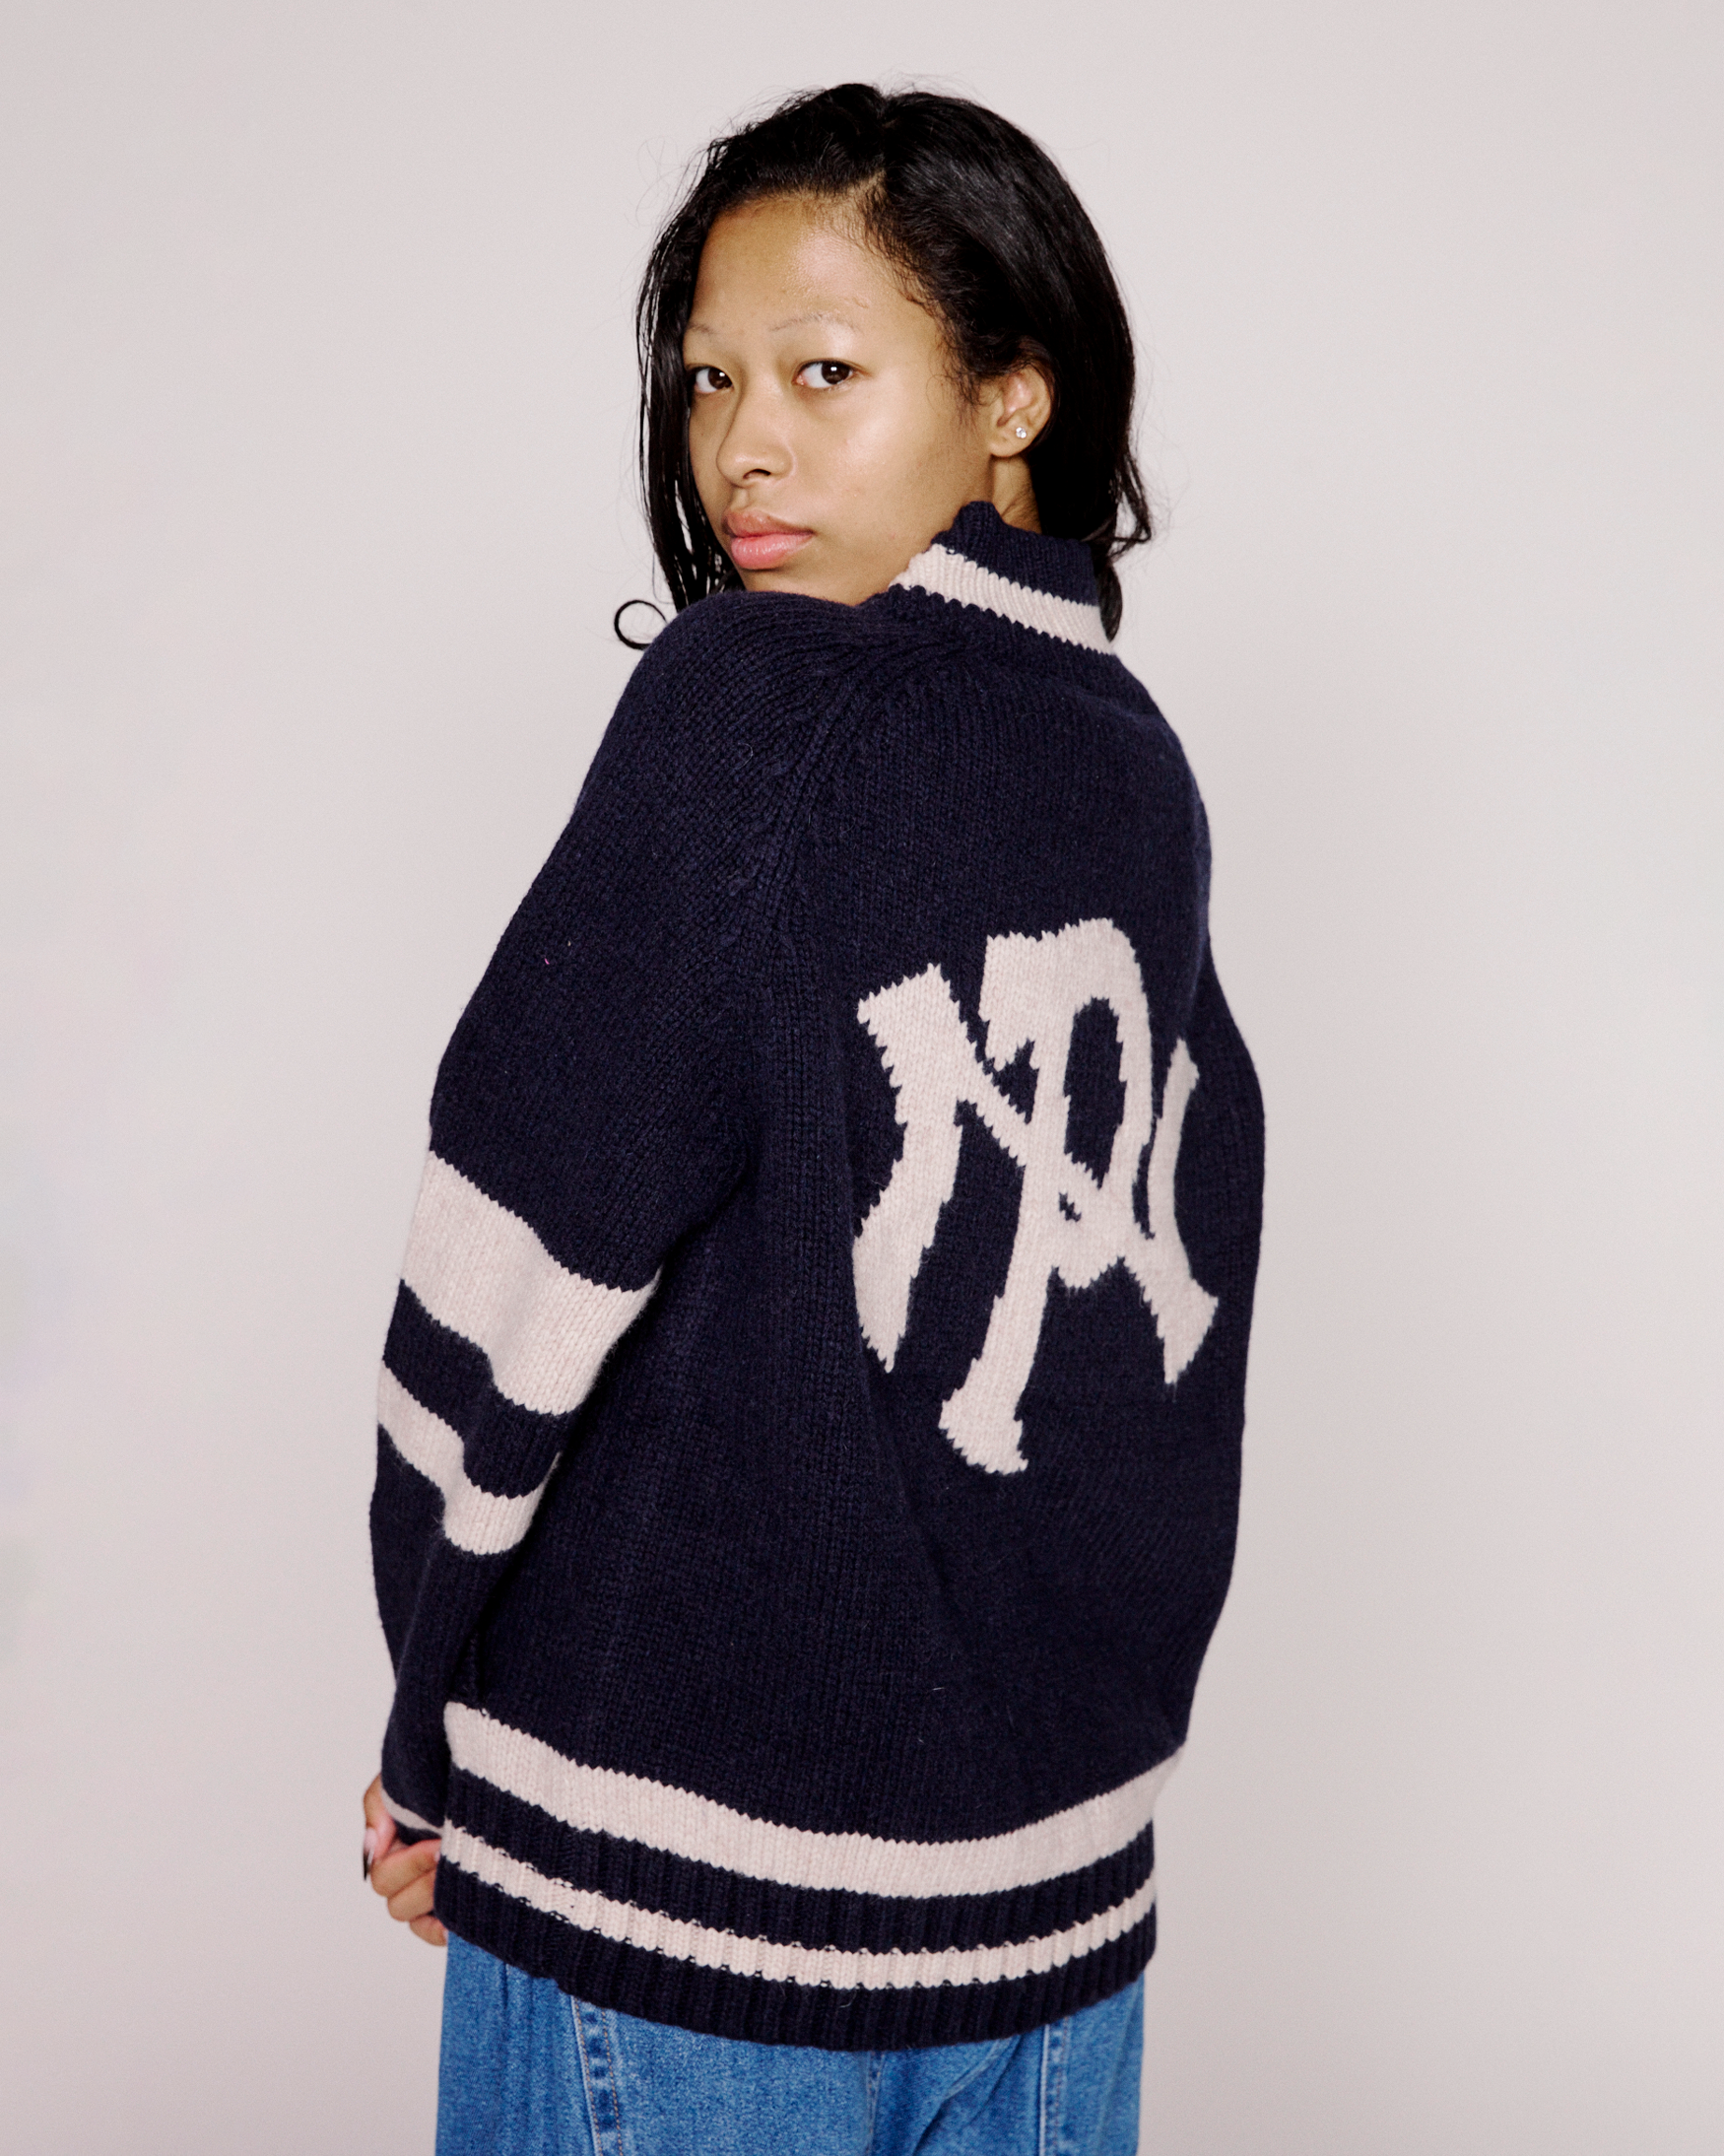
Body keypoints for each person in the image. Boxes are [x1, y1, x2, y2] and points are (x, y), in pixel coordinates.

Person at [362, 82, 1264, 2156]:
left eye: (822, 372)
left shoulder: (749, 704)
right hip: (1048, 1918)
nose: (741, 445)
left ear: (1012, 392)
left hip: (681, 1906)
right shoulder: (1126, 757)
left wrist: (426, 1741)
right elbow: (1165, 1332)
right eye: (708, 379)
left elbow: (521, 1259)